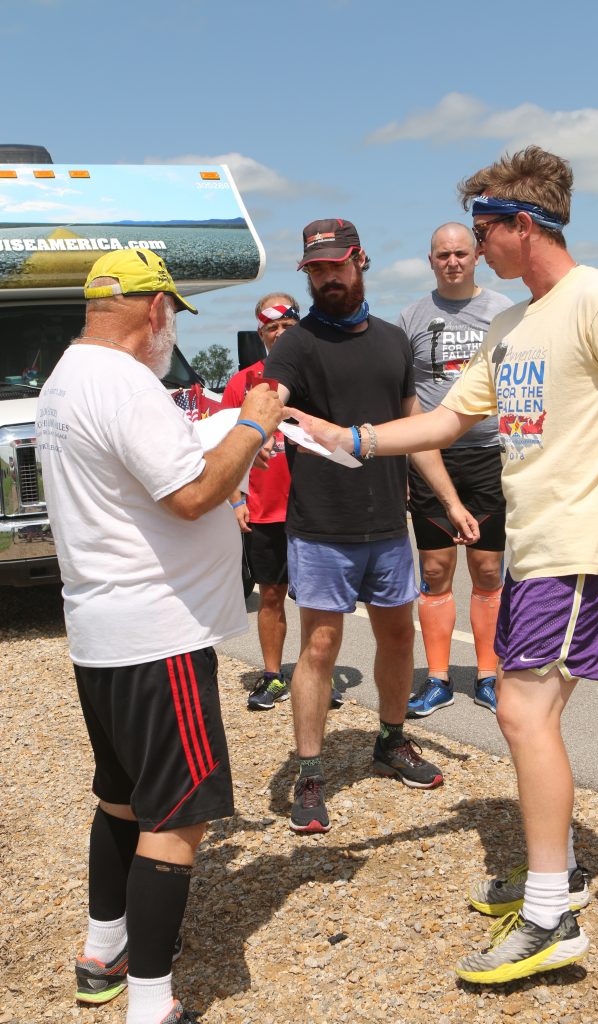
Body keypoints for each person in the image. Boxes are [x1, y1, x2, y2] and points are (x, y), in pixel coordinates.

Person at [285, 149, 598, 982]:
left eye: (482, 230)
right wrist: (348, 436)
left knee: (522, 715)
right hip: (536, 546)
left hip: (579, 547)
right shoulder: (511, 327)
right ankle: (553, 875)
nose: (473, 248)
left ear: (522, 225)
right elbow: (441, 422)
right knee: (530, 718)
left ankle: (548, 917)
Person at [37, 248, 282, 1024]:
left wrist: (222, 431)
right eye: (171, 313)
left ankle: (101, 951)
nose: (170, 327)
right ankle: (151, 1003)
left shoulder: (66, 376)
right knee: (176, 818)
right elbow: (193, 493)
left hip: (101, 629)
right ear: (154, 310)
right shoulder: (124, 381)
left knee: (120, 800)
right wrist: (253, 424)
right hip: (157, 634)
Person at [264, 218, 464, 835]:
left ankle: (391, 740)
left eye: (336, 265)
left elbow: (415, 430)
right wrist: (257, 431)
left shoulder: (393, 342)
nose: (327, 277)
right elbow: (271, 399)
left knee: (399, 638)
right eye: (316, 269)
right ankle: (309, 772)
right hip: (322, 526)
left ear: (360, 261)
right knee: (320, 646)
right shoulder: (296, 345)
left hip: (387, 526)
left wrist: (449, 500)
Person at [400, 223, 512, 717]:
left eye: (461, 254)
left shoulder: (503, 311)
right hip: (431, 458)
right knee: (434, 569)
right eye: (443, 255)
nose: (452, 262)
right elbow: (404, 398)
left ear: (477, 256)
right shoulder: (411, 317)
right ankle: (439, 678)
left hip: (489, 454)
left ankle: (488, 674)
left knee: (487, 568)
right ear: (430, 260)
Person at [222, 293, 345, 711]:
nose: (278, 334)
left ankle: (319, 674)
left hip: (315, 506)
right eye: (271, 328)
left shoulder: (320, 374)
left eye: (287, 326)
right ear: (261, 333)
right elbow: (224, 445)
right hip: (265, 508)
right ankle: (273, 676)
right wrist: (235, 499)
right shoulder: (243, 383)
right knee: (271, 595)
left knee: (317, 600)